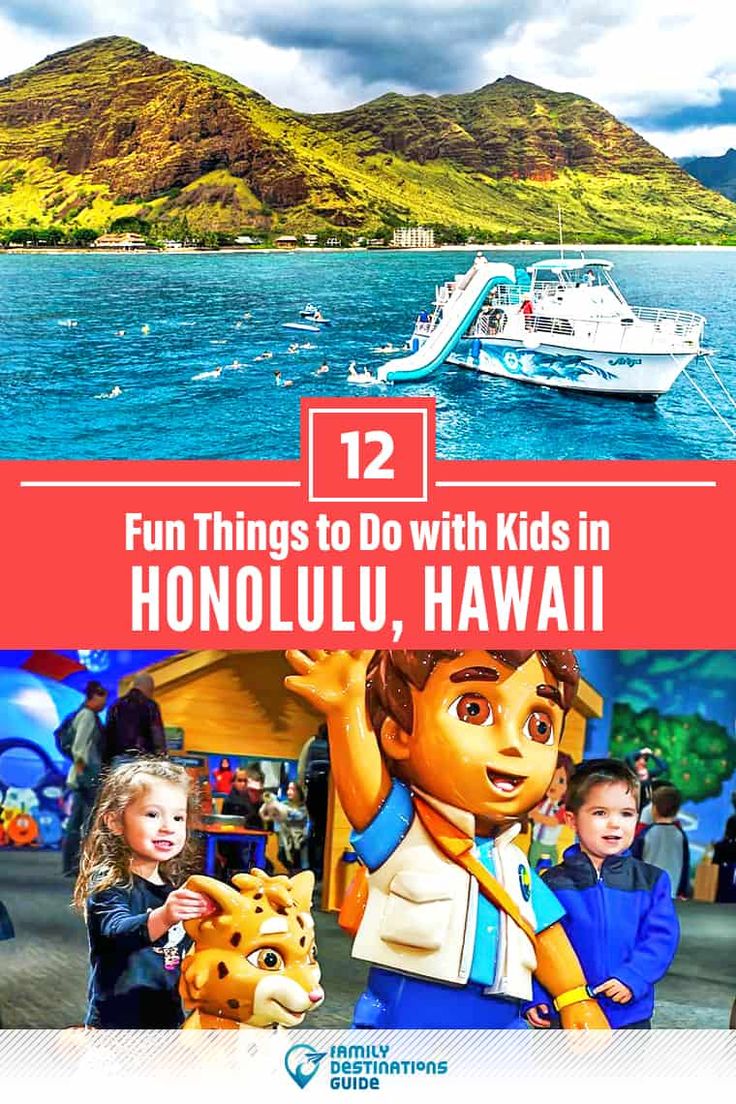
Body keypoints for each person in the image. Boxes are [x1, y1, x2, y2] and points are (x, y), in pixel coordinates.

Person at [285, 648, 609, 1030]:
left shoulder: (513, 860)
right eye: (474, 710)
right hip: (412, 1013)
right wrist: (347, 711)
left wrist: (573, 997)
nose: (512, 745)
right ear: (397, 734)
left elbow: (542, 929)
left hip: (501, 1021)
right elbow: (364, 794)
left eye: (539, 726)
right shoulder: (406, 829)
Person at [527, 758, 679, 1030]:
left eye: (626, 814)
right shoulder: (550, 883)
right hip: (564, 1014)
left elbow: (660, 940)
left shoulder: (652, 881)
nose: (614, 824)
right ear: (571, 819)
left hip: (628, 1015)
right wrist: (536, 997)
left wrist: (634, 977)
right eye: (600, 813)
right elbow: (538, 947)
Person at [73, 758, 213, 1028]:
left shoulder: (170, 890)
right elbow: (116, 933)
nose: (168, 827)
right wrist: (165, 916)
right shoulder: (108, 883)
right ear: (114, 821)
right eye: (152, 814)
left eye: (178, 817)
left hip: (167, 1021)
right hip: (117, 1024)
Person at [61, 680, 108, 878]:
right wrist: (83, 775)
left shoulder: (86, 715)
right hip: (86, 777)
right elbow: (79, 749)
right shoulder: (88, 717)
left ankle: (72, 863)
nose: (104, 703)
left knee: (77, 821)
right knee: (85, 822)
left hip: (84, 776)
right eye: (102, 698)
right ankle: (77, 864)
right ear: (94, 696)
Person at [632, 785, 690, 897]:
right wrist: (683, 891)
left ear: (654, 808)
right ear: (677, 810)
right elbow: (685, 866)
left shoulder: (645, 834)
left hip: (646, 892)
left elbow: (634, 862)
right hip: (671, 892)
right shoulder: (680, 835)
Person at [102, 673, 166, 767]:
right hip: (143, 761)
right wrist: (162, 760)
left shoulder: (116, 705)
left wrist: (105, 764)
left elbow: (108, 736)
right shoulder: (150, 706)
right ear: (149, 688)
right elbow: (157, 735)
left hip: (118, 760)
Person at [528, 751, 574, 870]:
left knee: (553, 865)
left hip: (550, 845)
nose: (553, 785)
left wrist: (537, 817)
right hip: (536, 843)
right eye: (549, 778)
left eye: (560, 781)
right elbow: (530, 813)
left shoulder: (562, 808)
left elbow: (553, 822)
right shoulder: (542, 802)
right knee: (532, 864)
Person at [299, 723, 330, 880]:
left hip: (312, 793)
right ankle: (322, 870)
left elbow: (301, 770)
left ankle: (312, 869)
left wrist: (303, 790)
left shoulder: (312, 744)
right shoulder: (334, 745)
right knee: (326, 833)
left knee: (315, 830)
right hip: (328, 793)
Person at [260, 781, 309, 875]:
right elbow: (274, 817)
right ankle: (292, 873)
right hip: (284, 839)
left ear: (299, 792)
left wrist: (279, 807)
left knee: (298, 862)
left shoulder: (303, 807)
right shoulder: (284, 804)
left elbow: (298, 816)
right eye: (288, 789)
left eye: (293, 789)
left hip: (298, 840)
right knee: (282, 856)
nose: (289, 792)